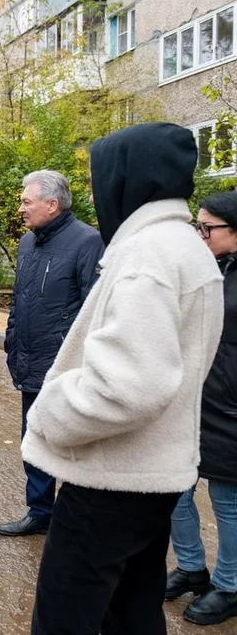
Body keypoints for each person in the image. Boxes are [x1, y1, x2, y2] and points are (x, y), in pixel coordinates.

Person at [23, 123, 224, 635]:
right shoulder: (183, 245)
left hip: (111, 479)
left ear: (129, 178)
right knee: (132, 611)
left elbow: (127, 386)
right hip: (153, 473)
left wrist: (49, 412)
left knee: (65, 617)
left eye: (99, 178)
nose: (94, 193)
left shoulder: (147, 256)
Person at [0, 171, 104, 537]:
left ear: (52, 205)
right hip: (31, 360)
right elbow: (21, 303)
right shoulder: (28, 244)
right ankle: (40, 511)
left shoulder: (88, 242)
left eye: (27, 201)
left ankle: (76, 519)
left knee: (73, 445)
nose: (21, 208)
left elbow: (95, 309)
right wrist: (11, 341)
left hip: (67, 368)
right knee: (35, 439)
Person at [166, 191, 237, 626]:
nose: (200, 233)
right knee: (175, 490)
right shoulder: (204, 267)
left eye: (208, 227)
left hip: (229, 410)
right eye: (198, 225)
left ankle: (229, 586)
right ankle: (191, 567)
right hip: (190, 400)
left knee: (228, 501)